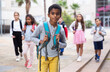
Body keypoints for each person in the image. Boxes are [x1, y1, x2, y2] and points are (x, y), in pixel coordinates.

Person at [31, 4, 67, 72]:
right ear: (48, 15)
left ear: (60, 16)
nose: (55, 16)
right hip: (43, 56)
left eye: (57, 14)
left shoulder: (60, 29)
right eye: (52, 13)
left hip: (55, 57)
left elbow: (65, 44)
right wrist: (41, 41)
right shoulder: (42, 26)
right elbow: (32, 37)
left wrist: (58, 43)